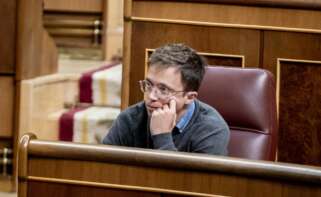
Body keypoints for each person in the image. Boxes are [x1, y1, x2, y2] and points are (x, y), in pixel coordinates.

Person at [103, 43, 230, 155]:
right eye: (148, 84)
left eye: (163, 89)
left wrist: (162, 137)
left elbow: (192, 182)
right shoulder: (130, 118)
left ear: (189, 97)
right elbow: (102, 167)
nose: (151, 96)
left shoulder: (212, 130)